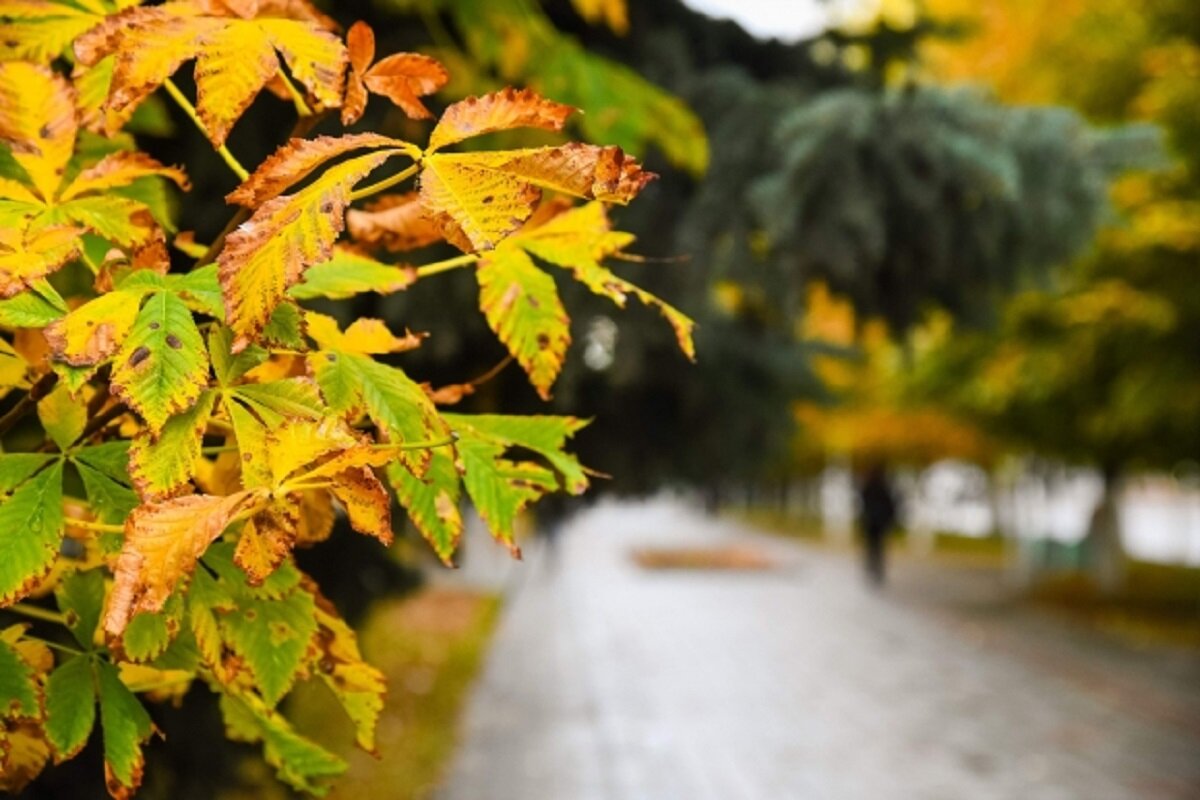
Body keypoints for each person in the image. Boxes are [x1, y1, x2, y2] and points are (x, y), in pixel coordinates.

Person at [858, 462, 898, 586]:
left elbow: (863, 504)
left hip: (871, 522)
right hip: (879, 522)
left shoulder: (868, 487)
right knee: (878, 547)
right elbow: (890, 504)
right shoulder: (883, 487)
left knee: (872, 547)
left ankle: (873, 567)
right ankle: (877, 569)